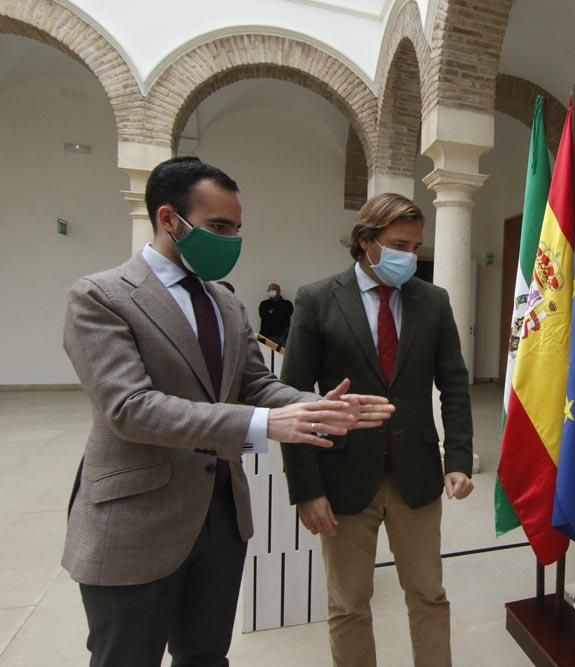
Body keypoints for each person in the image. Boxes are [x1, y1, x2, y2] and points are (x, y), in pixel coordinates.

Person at [61, 156, 394, 667]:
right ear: (169, 218)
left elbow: (254, 384)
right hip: (137, 518)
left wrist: (316, 407)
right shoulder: (101, 297)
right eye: (218, 227)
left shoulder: (225, 302)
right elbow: (129, 407)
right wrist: (263, 426)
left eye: (237, 229)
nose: (231, 241)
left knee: (206, 656)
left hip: (220, 517)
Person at [280, 193, 474, 667]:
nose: (408, 256)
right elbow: (293, 401)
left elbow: (453, 383)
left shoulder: (433, 301)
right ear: (365, 242)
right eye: (398, 245)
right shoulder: (316, 300)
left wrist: (460, 460)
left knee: (428, 593)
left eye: (415, 247)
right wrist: (306, 488)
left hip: (417, 476)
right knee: (348, 603)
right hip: (343, 477)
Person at [258, 282, 293, 346]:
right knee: (264, 355)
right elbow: (264, 316)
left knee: (282, 355)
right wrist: (279, 315)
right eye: (269, 289)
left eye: (273, 289)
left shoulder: (287, 304)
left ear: (279, 291)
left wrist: (272, 313)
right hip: (265, 337)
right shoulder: (264, 304)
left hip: (282, 337)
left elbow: (286, 314)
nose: (271, 291)